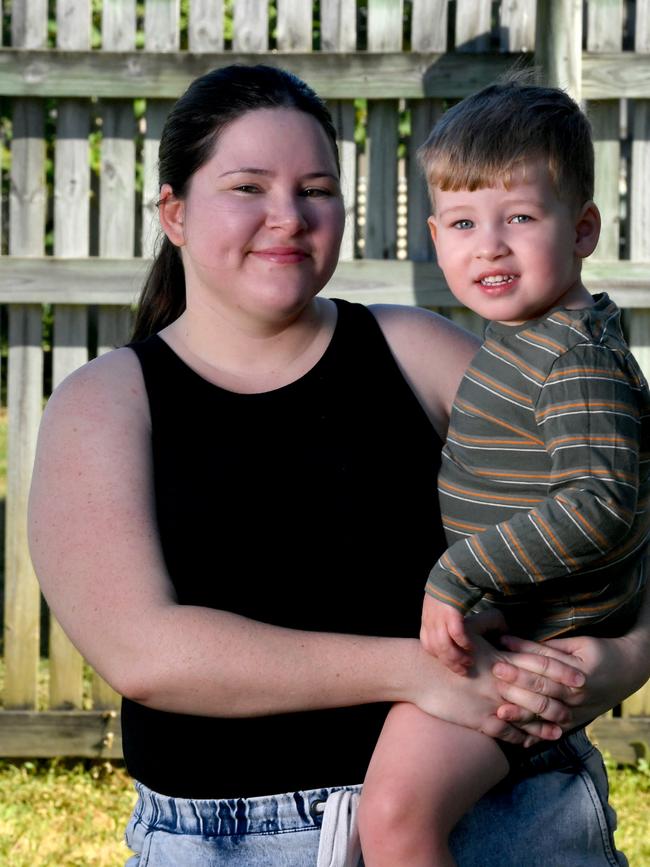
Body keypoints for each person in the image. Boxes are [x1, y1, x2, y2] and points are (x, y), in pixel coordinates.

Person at [26, 65, 650, 867]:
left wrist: (629, 655)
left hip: (511, 814)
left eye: (315, 189)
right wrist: (415, 672)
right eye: (248, 186)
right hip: (238, 844)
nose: (287, 217)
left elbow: (618, 496)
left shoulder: (416, 350)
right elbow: (147, 652)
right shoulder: (106, 402)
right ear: (174, 212)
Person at [357, 81, 650, 867]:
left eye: (519, 217)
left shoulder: (573, 359)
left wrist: (459, 574)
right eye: (462, 222)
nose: (488, 244)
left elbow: (602, 506)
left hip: (537, 645)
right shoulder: (527, 336)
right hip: (524, 624)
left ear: (582, 228)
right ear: (434, 234)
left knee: (393, 817)